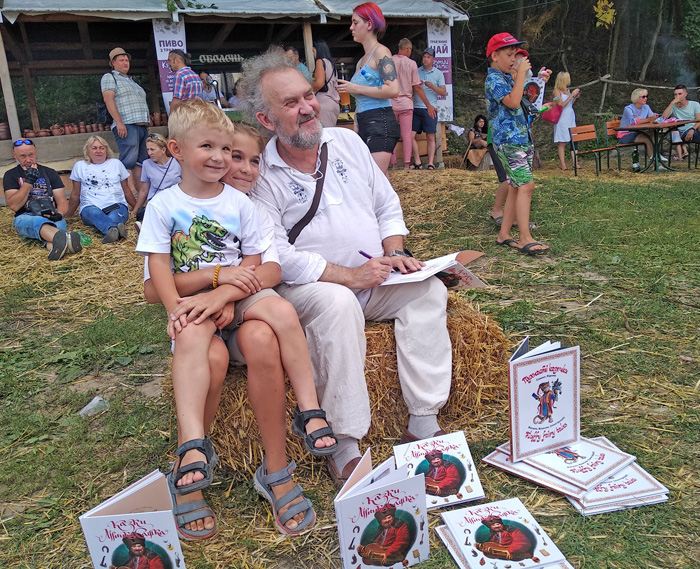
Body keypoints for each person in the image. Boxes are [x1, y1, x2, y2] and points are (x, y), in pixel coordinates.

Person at [239, 48, 452, 487]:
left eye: (308, 96)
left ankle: (423, 419)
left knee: (428, 291)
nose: (308, 108)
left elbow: (385, 204)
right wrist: (349, 277)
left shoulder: (348, 142)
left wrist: (394, 251)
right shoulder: (262, 175)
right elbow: (281, 256)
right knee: (338, 304)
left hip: (372, 276)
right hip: (312, 289)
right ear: (266, 121)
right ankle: (345, 442)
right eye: (291, 104)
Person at [137, 101, 336, 538]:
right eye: (212, 148)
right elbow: (156, 280)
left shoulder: (245, 207)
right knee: (207, 355)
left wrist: (228, 292)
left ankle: (282, 459)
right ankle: (190, 453)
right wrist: (202, 293)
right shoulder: (166, 205)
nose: (225, 160)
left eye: (231, 151)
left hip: (240, 304)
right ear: (177, 150)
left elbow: (265, 269)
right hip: (197, 310)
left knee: (269, 331)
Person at [485, 32, 549, 255]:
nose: (514, 59)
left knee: (514, 186)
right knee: (526, 185)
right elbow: (512, 102)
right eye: (509, 54)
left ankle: (504, 235)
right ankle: (524, 237)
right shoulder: (494, 80)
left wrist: (536, 82)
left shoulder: (507, 79)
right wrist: (521, 73)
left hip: (520, 139)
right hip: (508, 141)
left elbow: (523, 102)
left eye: (515, 55)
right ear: (495, 56)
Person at [337, 2, 400, 174]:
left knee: (374, 181)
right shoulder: (361, 60)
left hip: (380, 122)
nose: (351, 27)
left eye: (355, 22)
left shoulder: (381, 52)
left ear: (369, 24)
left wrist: (356, 88)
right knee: (377, 182)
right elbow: (361, 103)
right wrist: (356, 129)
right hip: (365, 122)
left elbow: (393, 89)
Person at [3, 138, 82, 260]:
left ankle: (56, 248)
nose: (28, 159)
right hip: (26, 216)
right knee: (38, 223)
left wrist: (59, 214)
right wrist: (28, 182)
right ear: (15, 156)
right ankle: (67, 242)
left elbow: (62, 201)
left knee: (59, 224)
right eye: (22, 156)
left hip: (50, 213)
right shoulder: (11, 175)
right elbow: (14, 206)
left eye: (31, 154)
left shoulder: (49, 172)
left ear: (36, 152)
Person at [67, 135, 135, 243]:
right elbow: (75, 194)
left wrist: (136, 208)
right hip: (90, 206)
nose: (98, 151)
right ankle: (115, 228)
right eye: (94, 148)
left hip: (116, 204)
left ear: (106, 150)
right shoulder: (79, 166)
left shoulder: (116, 164)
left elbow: (126, 189)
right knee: (95, 214)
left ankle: (111, 230)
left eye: (101, 148)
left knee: (116, 214)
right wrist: (68, 215)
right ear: (87, 151)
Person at [101, 47, 150, 196]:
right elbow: (108, 99)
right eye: (121, 60)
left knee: (142, 160)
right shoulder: (110, 77)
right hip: (127, 124)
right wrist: (119, 122)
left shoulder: (131, 80)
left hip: (141, 125)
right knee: (128, 159)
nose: (125, 62)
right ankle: (130, 192)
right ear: (113, 62)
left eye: (127, 60)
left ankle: (143, 192)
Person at [389, 38, 433, 170]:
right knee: (407, 135)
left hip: (391, 102)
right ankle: (407, 164)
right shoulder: (412, 64)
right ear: (408, 49)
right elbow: (417, 87)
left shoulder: (389, 61)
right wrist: (428, 104)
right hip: (406, 104)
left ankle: (393, 163)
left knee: (391, 134)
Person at [133, 133, 182, 231]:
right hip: (156, 200)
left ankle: (148, 228)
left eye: (152, 149)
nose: (149, 153)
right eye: (147, 150)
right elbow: (144, 190)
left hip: (174, 199)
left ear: (163, 150)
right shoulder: (146, 164)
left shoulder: (177, 162)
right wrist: (135, 210)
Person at [410, 47, 446, 170]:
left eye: (428, 57)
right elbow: (409, 86)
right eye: (424, 57)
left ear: (433, 59)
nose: (425, 59)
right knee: (410, 135)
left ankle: (430, 163)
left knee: (430, 136)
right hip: (416, 107)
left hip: (430, 108)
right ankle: (418, 161)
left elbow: (443, 92)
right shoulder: (417, 71)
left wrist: (432, 86)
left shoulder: (438, 73)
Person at [617, 88, 658, 160]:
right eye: (643, 97)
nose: (645, 98)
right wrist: (646, 120)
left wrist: (643, 119)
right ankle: (655, 161)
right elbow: (634, 122)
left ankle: (656, 157)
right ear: (636, 98)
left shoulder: (646, 107)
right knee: (647, 139)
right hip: (625, 134)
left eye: (646, 96)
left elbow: (652, 117)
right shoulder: (628, 109)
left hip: (638, 132)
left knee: (652, 133)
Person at [661, 84, 700, 160]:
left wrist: (693, 129)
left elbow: (699, 120)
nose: (677, 96)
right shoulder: (674, 107)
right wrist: (672, 103)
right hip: (684, 132)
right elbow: (663, 118)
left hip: (695, 128)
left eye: (680, 94)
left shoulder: (695, 104)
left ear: (685, 94)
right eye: (675, 94)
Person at [552, 71, 581, 170]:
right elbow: (560, 105)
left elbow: (569, 104)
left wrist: (574, 97)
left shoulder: (568, 90)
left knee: (573, 139)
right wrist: (571, 95)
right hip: (562, 118)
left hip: (570, 117)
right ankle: (563, 164)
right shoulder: (556, 92)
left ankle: (575, 162)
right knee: (562, 141)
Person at [310, 39, 340, 127]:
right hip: (333, 103)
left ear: (318, 49)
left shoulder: (320, 61)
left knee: (325, 135)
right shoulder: (330, 63)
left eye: (313, 50)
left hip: (324, 103)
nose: (313, 54)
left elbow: (319, 83)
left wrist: (308, 86)